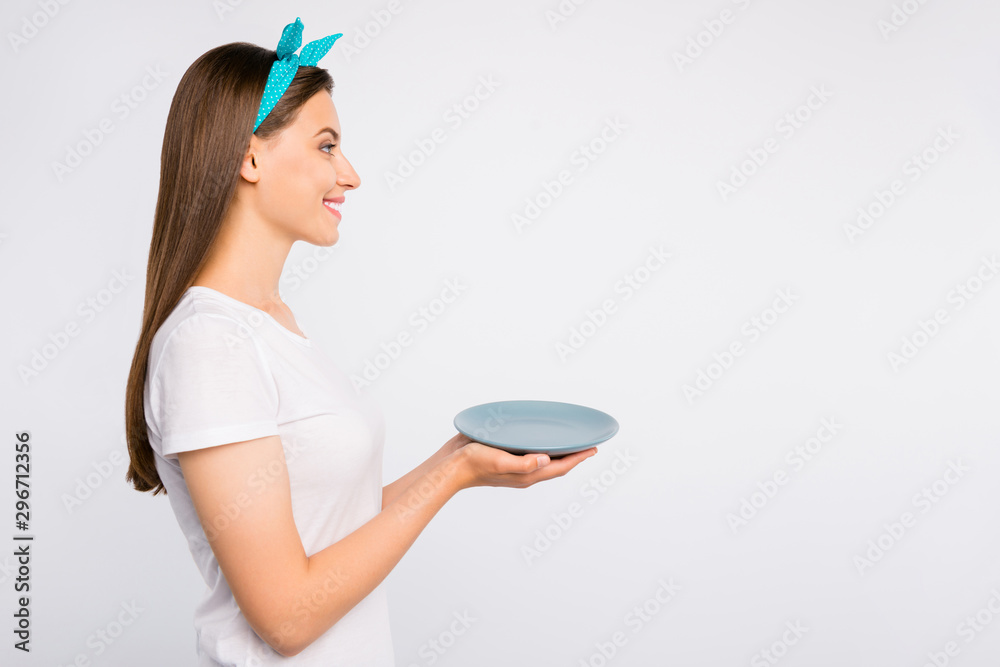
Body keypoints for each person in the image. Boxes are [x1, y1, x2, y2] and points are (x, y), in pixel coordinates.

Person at [123, 17, 597, 665]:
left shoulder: (270, 324)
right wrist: (454, 474)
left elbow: (328, 528)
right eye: (326, 145)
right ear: (250, 156)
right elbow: (286, 616)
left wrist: (457, 458)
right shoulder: (211, 345)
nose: (349, 174)